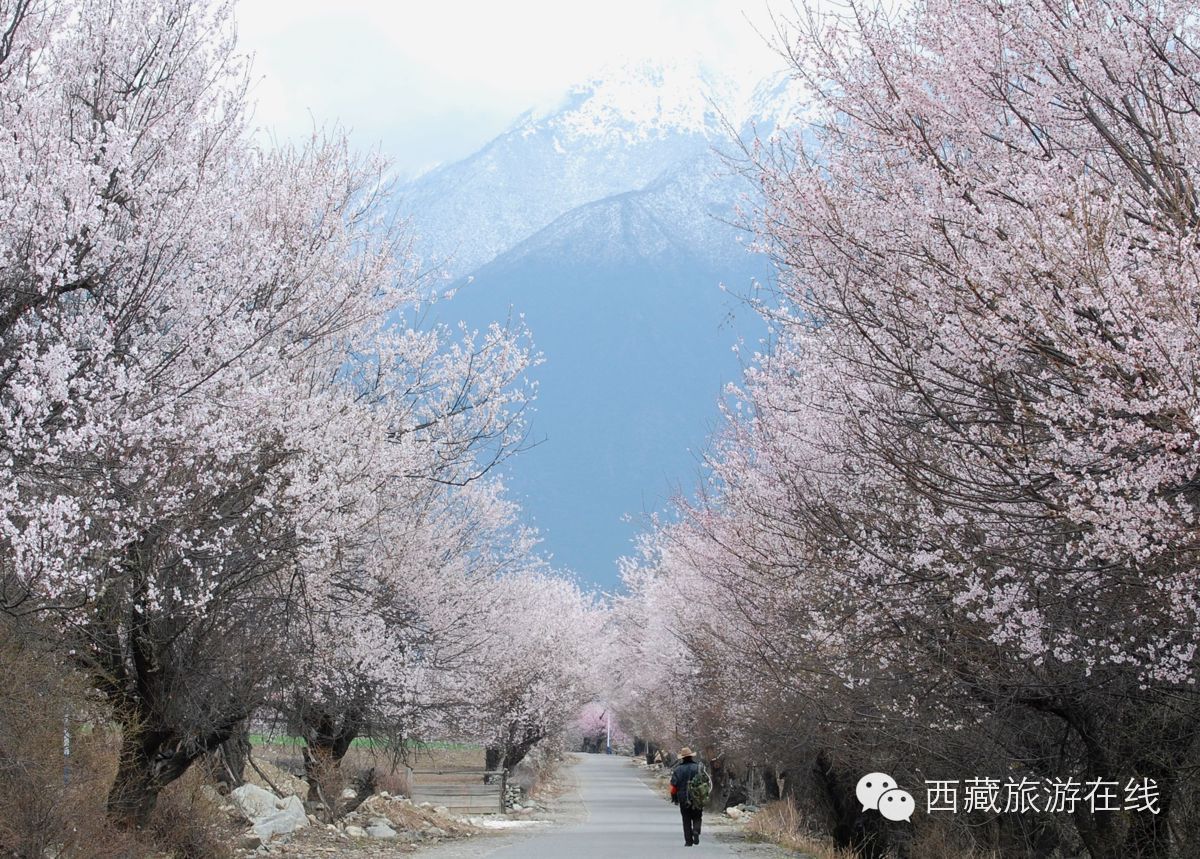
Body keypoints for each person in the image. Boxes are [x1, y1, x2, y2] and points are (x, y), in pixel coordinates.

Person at [669, 746, 705, 847]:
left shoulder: (678, 769)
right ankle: (696, 831)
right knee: (698, 816)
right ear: (691, 757)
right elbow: (705, 782)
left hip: (683, 798)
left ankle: (688, 841)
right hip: (697, 797)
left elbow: (673, 786)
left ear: (682, 758)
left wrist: (674, 798)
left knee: (686, 819)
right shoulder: (698, 767)